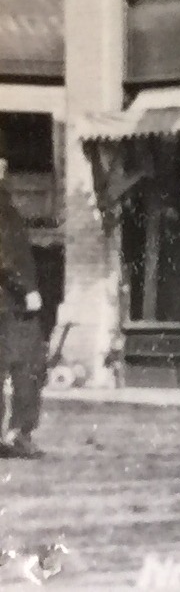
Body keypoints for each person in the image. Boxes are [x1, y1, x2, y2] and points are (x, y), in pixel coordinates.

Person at [0, 153, 44, 459]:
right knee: (29, 366)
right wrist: (26, 288)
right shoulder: (2, 207)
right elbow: (4, 253)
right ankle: (20, 434)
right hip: (11, 303)